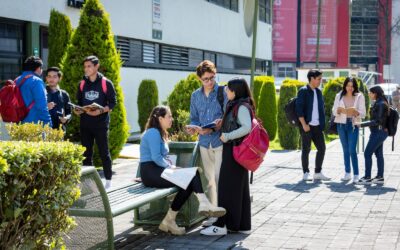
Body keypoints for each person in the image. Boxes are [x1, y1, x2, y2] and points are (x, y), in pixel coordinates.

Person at [140, 105, 226, 235]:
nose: (171, 119)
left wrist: (172, 167)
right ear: (160, 118)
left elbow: (161, 158)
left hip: (157, 170)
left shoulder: (160, 132)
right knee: (191, 176)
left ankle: (169, 220)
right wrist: (172, 168)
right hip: (151, 172)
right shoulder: (153, 132)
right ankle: (202, 204)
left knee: (189, 180)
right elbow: (156, 158)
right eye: (169, 116)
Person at [200, 78, 253, 236]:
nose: (226, 91)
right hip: (237, 151)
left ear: (235, 91)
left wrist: (228, 136)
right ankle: (242, 225)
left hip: (234, 150)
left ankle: (222, 225)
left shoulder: (241, 106)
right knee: (239, 190)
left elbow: (247, 127)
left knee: (225, 188)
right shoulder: (238, 104)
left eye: (228, 89)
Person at [186, 60, 226, 227]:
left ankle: (223, 212)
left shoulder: (223, 92)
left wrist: (220, 122)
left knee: (219, 178)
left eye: (212, 78)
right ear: (199, 79)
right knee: (209, 180)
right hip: (203, 142)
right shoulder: (195, 96)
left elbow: (229, 115)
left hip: (220, 140)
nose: (210, 82)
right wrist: (193, 127)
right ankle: (212, 214)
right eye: (206, 79)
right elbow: (194, 117)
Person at [73, 55, 116, 190]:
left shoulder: (105, 83)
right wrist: (77, 110)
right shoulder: (82, 84)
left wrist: (102, 110)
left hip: (100, 124)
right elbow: (79, 103)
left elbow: (113, 103)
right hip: (85, 124)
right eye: (85, 66)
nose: (86, 69)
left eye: (89, 66)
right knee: (86, 153)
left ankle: (108, 181)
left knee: (104, 152)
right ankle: (88, 183)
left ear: (96, 66)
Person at [295, 69, 330, 181]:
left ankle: (318, 172)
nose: (321, 81)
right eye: (319, 79)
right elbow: (299, 109)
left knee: (322, 148)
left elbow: (321, 109)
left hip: (317, 126)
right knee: (306, 149)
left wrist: (322, 124)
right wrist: (304, 124)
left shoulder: (318, 92)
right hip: (307, 125)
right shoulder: (303, 91)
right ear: (312, 78)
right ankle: (306, 173)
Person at [332, 77, 366, 183]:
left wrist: (355, 112)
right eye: (348, 86)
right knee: (345, 150)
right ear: (345, 86)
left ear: (355, 87)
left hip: (353, 125)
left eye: (352, 86)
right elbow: (334, 111)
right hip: (341, 125)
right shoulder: (339, 96)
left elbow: (363, 113)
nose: (350, 88)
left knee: (352, 150)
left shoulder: (359, 96)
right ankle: (347, 173)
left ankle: (356, 174)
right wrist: (338, 111)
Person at [356, 85, 389, 184]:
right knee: (378, 154)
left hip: (378, 132)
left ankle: (367, 177)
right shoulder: (379, 103)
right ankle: (379, 177)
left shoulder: (380, 104)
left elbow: (377, 121)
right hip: (379, 132)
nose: (369, 94)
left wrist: (361, 124)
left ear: (375, 93)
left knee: (367, 153)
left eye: (370, 92)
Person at [19, 56, 52, 126]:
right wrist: (48, 124)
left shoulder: (17, 80)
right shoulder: (36, 81)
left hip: (18, 124)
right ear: (38, 68)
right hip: (34, 125)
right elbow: (42, 106)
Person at [46, 67, 72, 131]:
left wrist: (66, 118)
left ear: (59, 78)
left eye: (54, 77)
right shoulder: (41, 92)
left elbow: (69, 113)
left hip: (59, 131)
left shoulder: (64, 94)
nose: (51, 79)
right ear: (46, 78)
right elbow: (34, 109)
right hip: (44, 129)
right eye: (49, 76)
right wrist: (45, 107)